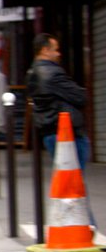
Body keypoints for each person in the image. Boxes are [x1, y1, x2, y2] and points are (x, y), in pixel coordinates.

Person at [27, 33, 89, 169]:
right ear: (44, 50)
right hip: (67, 132)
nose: (58, 53)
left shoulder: (32, 72)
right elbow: (80, 96)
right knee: (73, 180)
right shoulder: (52, 72)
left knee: (65, 177)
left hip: (50, 131)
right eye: (55, 49)